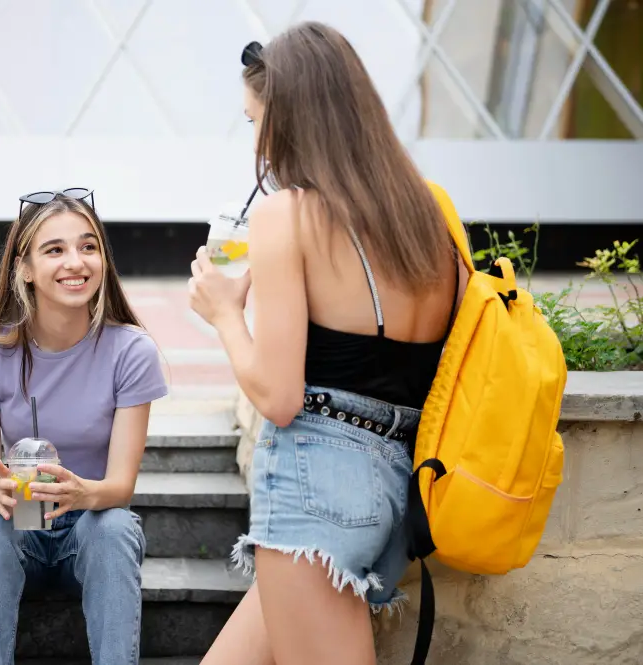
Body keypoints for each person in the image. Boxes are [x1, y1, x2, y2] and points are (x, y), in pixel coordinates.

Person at [188, 23, 465, 665]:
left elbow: (279, 398)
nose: (254, 137)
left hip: (317, 480)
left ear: (286, 120)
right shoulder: (427, 216)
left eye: (255, 118)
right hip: (395, 480)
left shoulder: (284, 215)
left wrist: (226, 315)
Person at [0, 188, 168, 665]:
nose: (76, 261)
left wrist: (80, 494)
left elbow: (120, 486)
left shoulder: (131, 351)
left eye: (88, 246)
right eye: (55, 249)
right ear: (25, 268)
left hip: (90, 526)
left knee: (113, 528)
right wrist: (3, 492)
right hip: (22, 523)